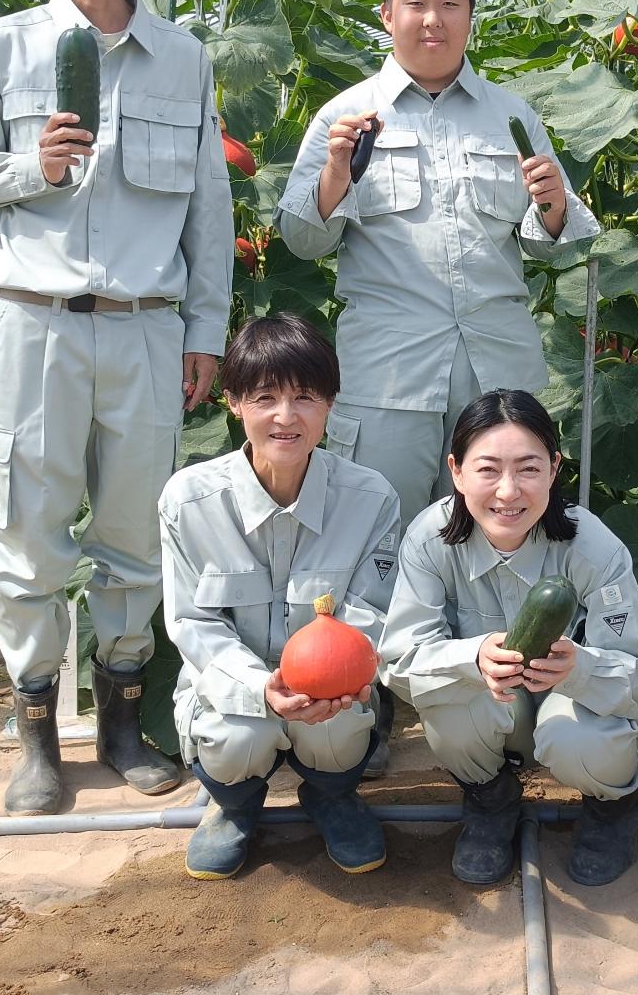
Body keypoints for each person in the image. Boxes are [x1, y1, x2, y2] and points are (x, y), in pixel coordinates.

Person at [0, 0, 231, 816]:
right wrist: (32, 168)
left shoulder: (184, 58)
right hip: (32, 324)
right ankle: (35, 738)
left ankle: (120, 720)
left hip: (146, 329)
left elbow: (209, 212)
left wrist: (207, 332)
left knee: (133, 533)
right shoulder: (0, 47)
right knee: (28, 534)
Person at [275, 0, 599, 528]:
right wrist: (334, 175)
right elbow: (303, 240)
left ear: (471, 15)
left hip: (496, 369)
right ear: (387, 14)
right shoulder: (346, 116)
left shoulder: (512, 116)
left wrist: (551, 206)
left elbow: (549, 239)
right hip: (388, 374)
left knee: (498, 532)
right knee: (377, 535)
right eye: (415, 2)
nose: (433, 19)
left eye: (451, 3)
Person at [379, 390, 638, 887]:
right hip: (495, 710)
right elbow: (399, 661)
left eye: (528, 469)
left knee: (581, 738)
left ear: (554, 469)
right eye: (488, 469)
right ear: (457, 470)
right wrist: (472, 657)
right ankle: (490, 799)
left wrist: (582, 668)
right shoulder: (430, 540)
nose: (508, 491)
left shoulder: (593, 547)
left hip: (569, 710)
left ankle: (614, 802)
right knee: (447, 697)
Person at [160, 313, 406, 880]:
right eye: (265, 397)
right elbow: (194, 622)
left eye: (305, 397)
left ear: (330, 404)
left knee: (339, 727)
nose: (285, 417)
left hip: (333, 693)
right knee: (235, 731)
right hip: (233, 690)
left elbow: (369, 611)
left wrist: (329, 681)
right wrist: (260, 688)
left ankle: (332, 797)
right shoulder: (189, 501)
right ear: (233, 403)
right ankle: (234, 808)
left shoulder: (371, 498)